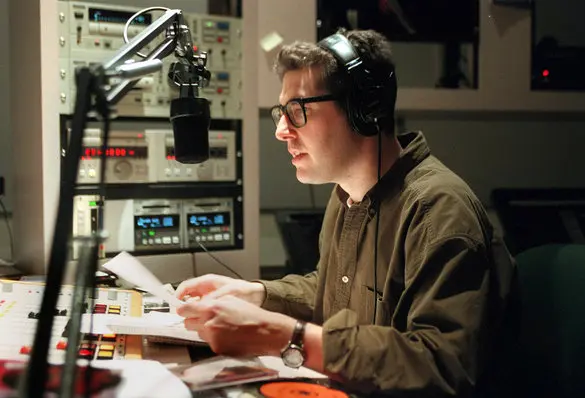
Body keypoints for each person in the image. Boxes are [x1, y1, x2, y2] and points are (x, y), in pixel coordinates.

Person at [175, 28, 513, 397]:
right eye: (280, 112)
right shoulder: (346, 195)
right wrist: (255, 293)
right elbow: (333, 289)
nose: (281, 130)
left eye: (297, 111)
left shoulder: (439, 211)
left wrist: (280, 335)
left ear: (364, 110)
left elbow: (442, 365)